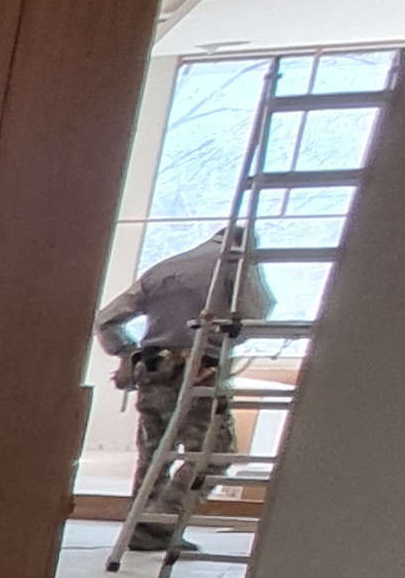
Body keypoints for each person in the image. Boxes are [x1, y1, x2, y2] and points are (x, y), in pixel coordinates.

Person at [97, 229, 273, 551]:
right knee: (214, 452)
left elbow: (105, 320)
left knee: (154, 453)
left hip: (152, 368)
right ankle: (159, 520)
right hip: (199, 370)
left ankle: (139, 527)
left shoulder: (164, 268)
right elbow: (256, 315)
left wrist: (126, 353)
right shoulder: (236, 265)